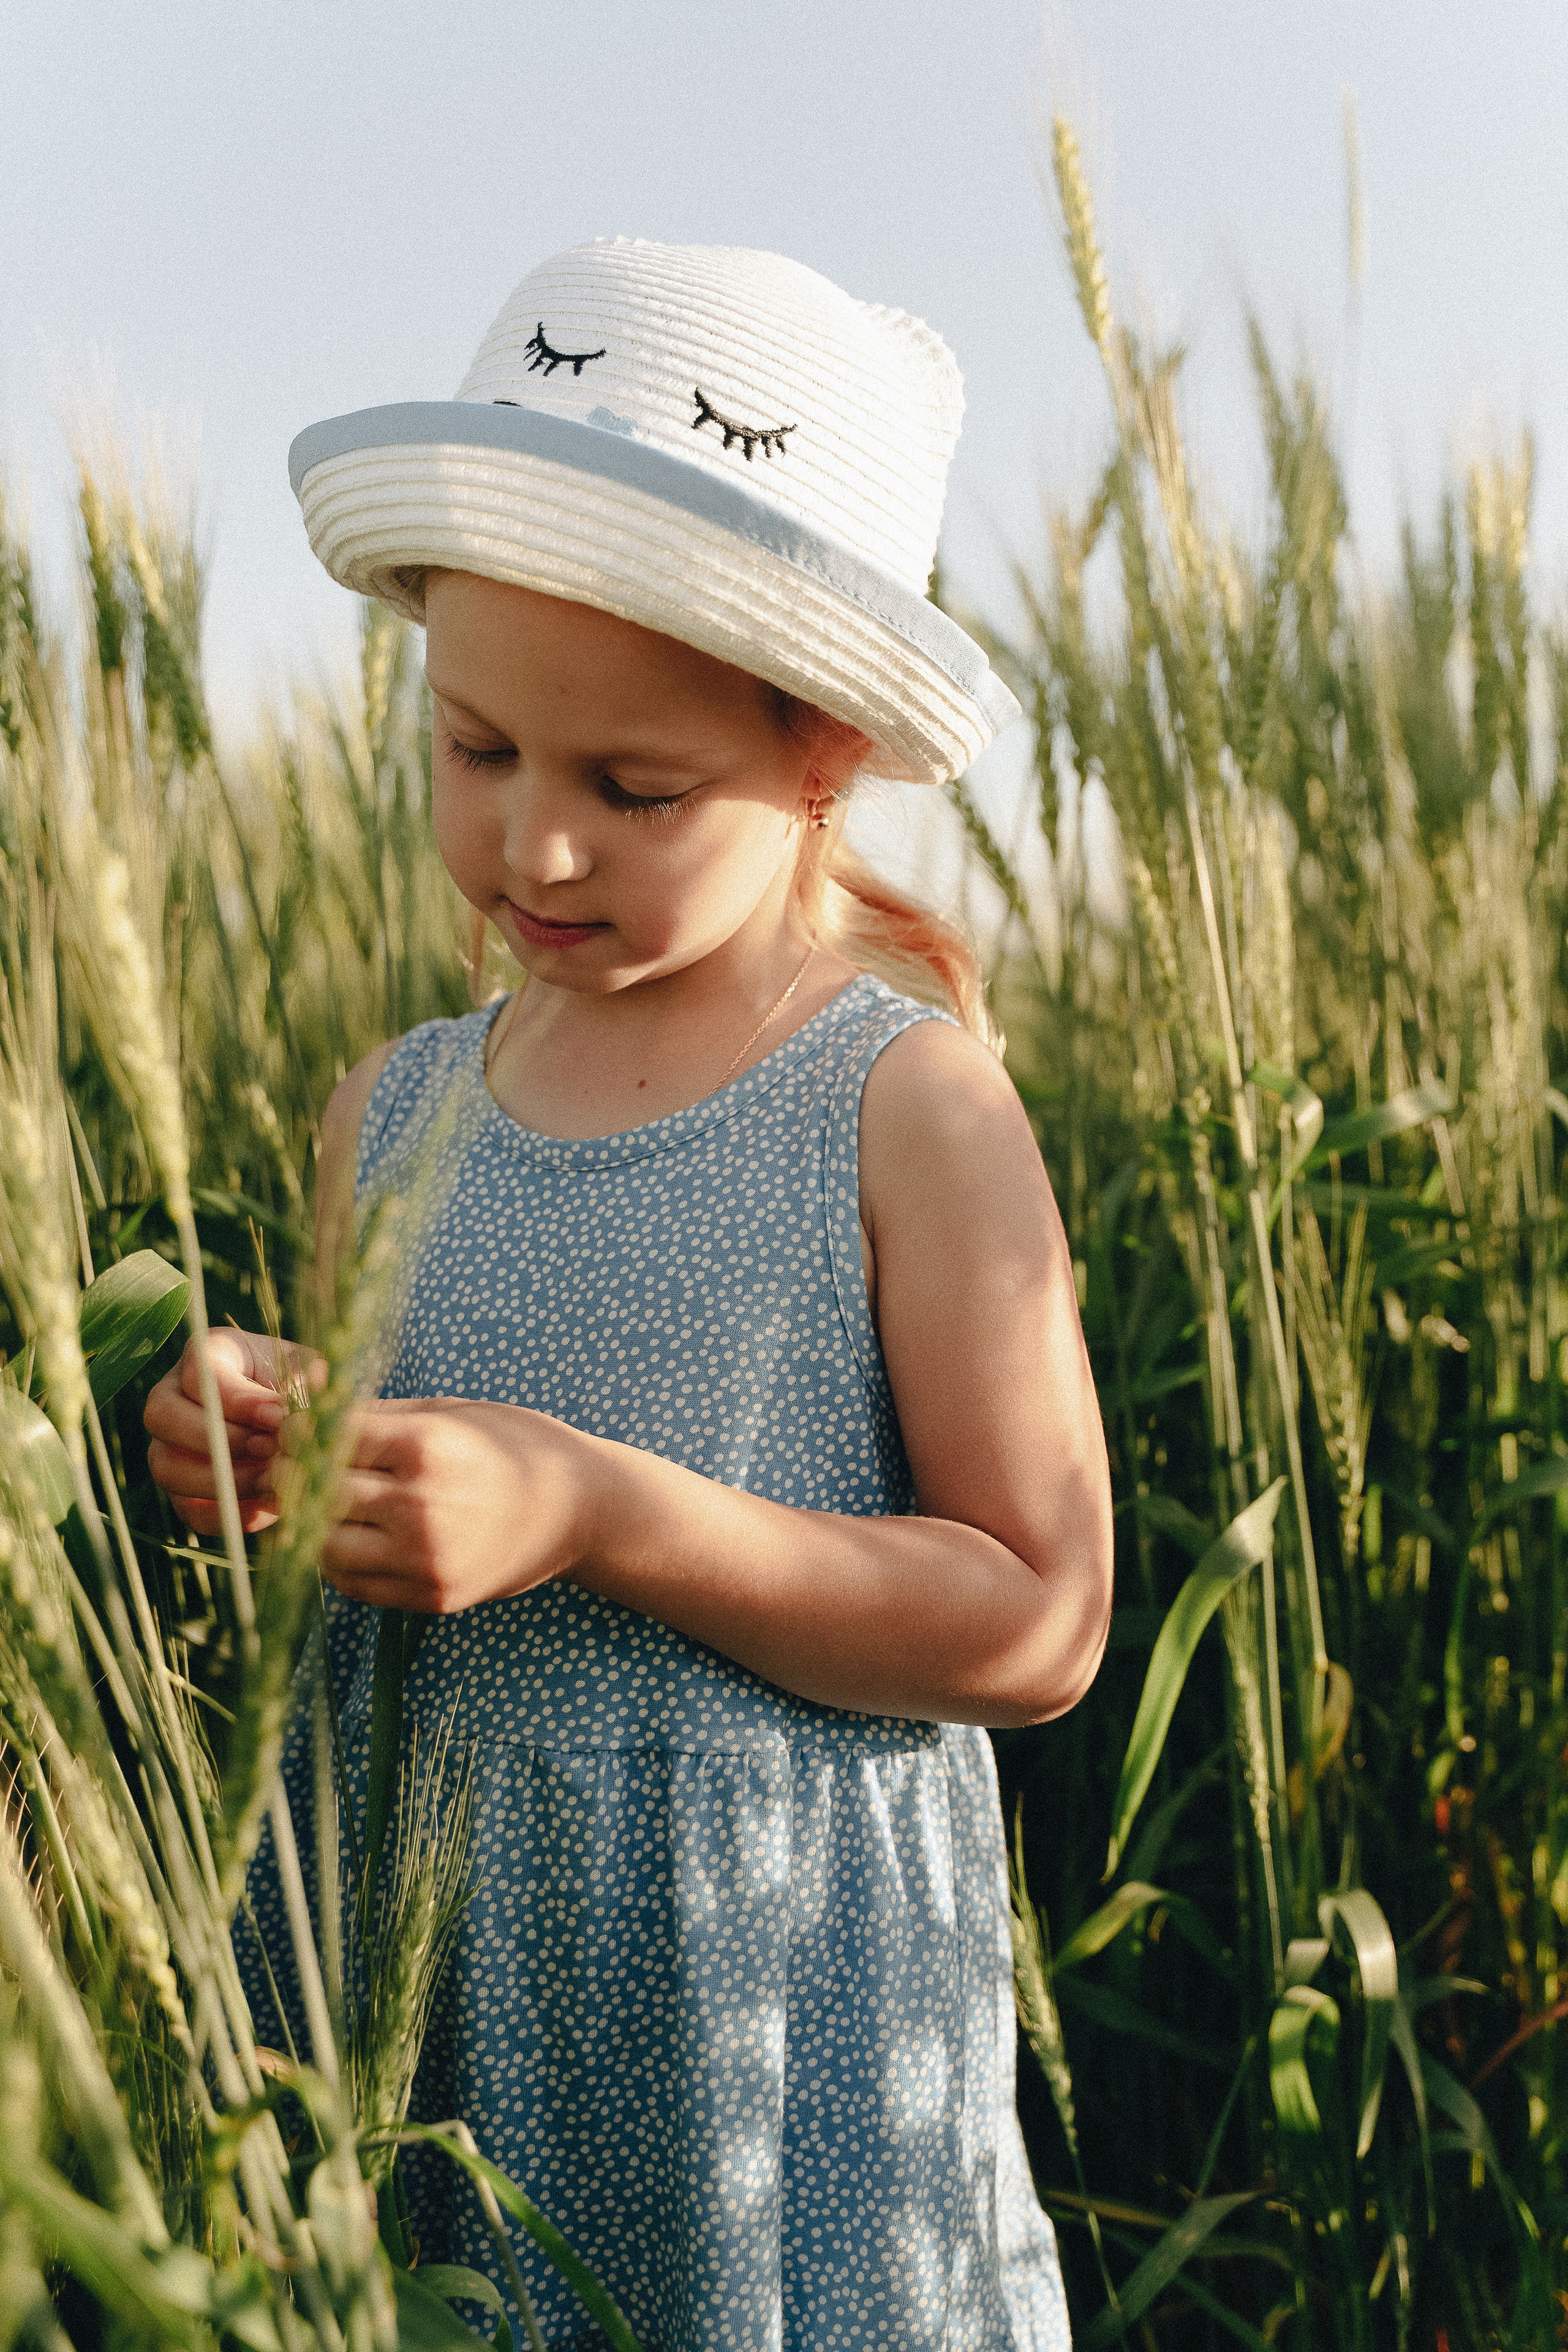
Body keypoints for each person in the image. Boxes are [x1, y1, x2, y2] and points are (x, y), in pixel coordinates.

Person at [145, 238, 1112, 2351]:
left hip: (772, 2052)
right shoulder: (384, 1113)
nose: (538, 853)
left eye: (633, 790)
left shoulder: (907, 1108)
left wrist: (598, 1507)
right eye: (478, 751)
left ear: (826, 762)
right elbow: (396, 1491)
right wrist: (269, 1439)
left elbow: (1038, 1619)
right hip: (440, 2017)